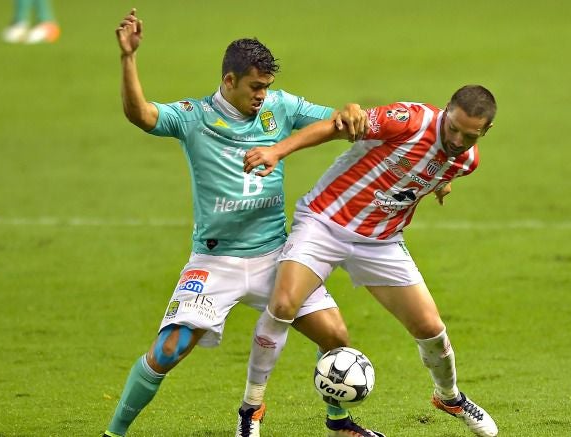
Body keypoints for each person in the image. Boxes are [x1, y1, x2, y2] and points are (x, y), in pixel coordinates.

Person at [103, 8, 385, 437]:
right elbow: (140, 114)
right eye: (255, 86)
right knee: (168, 349)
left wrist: (349, 112)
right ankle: (114, 433)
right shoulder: (192, 116)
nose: (262, 95)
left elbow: (336, 123)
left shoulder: (281, 107)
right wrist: (129, 59)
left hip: (276, 256)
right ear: (229, 81)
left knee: (337, 337)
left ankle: (339, 420)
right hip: (215, 260)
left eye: (266, 86)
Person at [241, 85, 500, 437]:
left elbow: (438, 170)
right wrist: (277, 151)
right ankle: (251, 410)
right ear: (446, 110)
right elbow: (337, 126)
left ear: (484, 132)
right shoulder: (409, 120)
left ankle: (449, 397)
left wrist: (442, 184)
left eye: (469, 135)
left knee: (431, 329)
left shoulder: (467, 161)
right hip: (324, 222)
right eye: (452, 127)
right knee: (284, 303)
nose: (456, 139)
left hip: (380, 243)